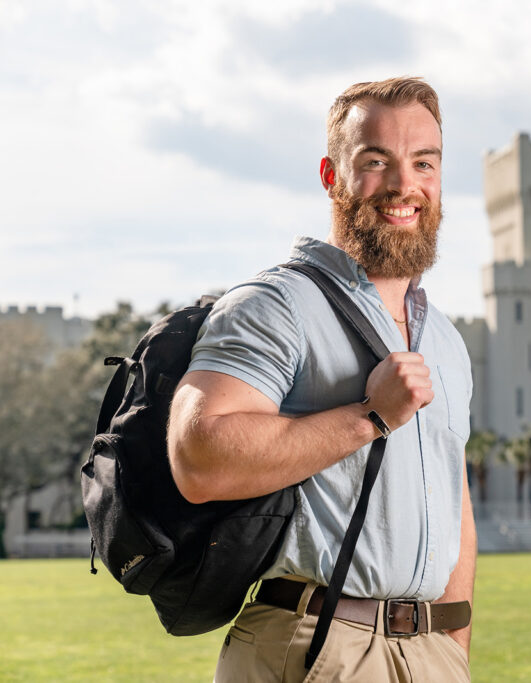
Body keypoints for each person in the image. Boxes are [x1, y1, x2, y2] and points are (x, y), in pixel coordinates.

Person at [167, 77, 475, 682]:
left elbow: (454, 501)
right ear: (331, 176)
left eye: (423, 163)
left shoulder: (445, 339)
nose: (403, 185)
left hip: (429, 653)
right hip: (317, 643)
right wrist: (371, 416)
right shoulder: (274, 304)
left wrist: (453, 649)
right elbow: (198, 457)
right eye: (375, 161)